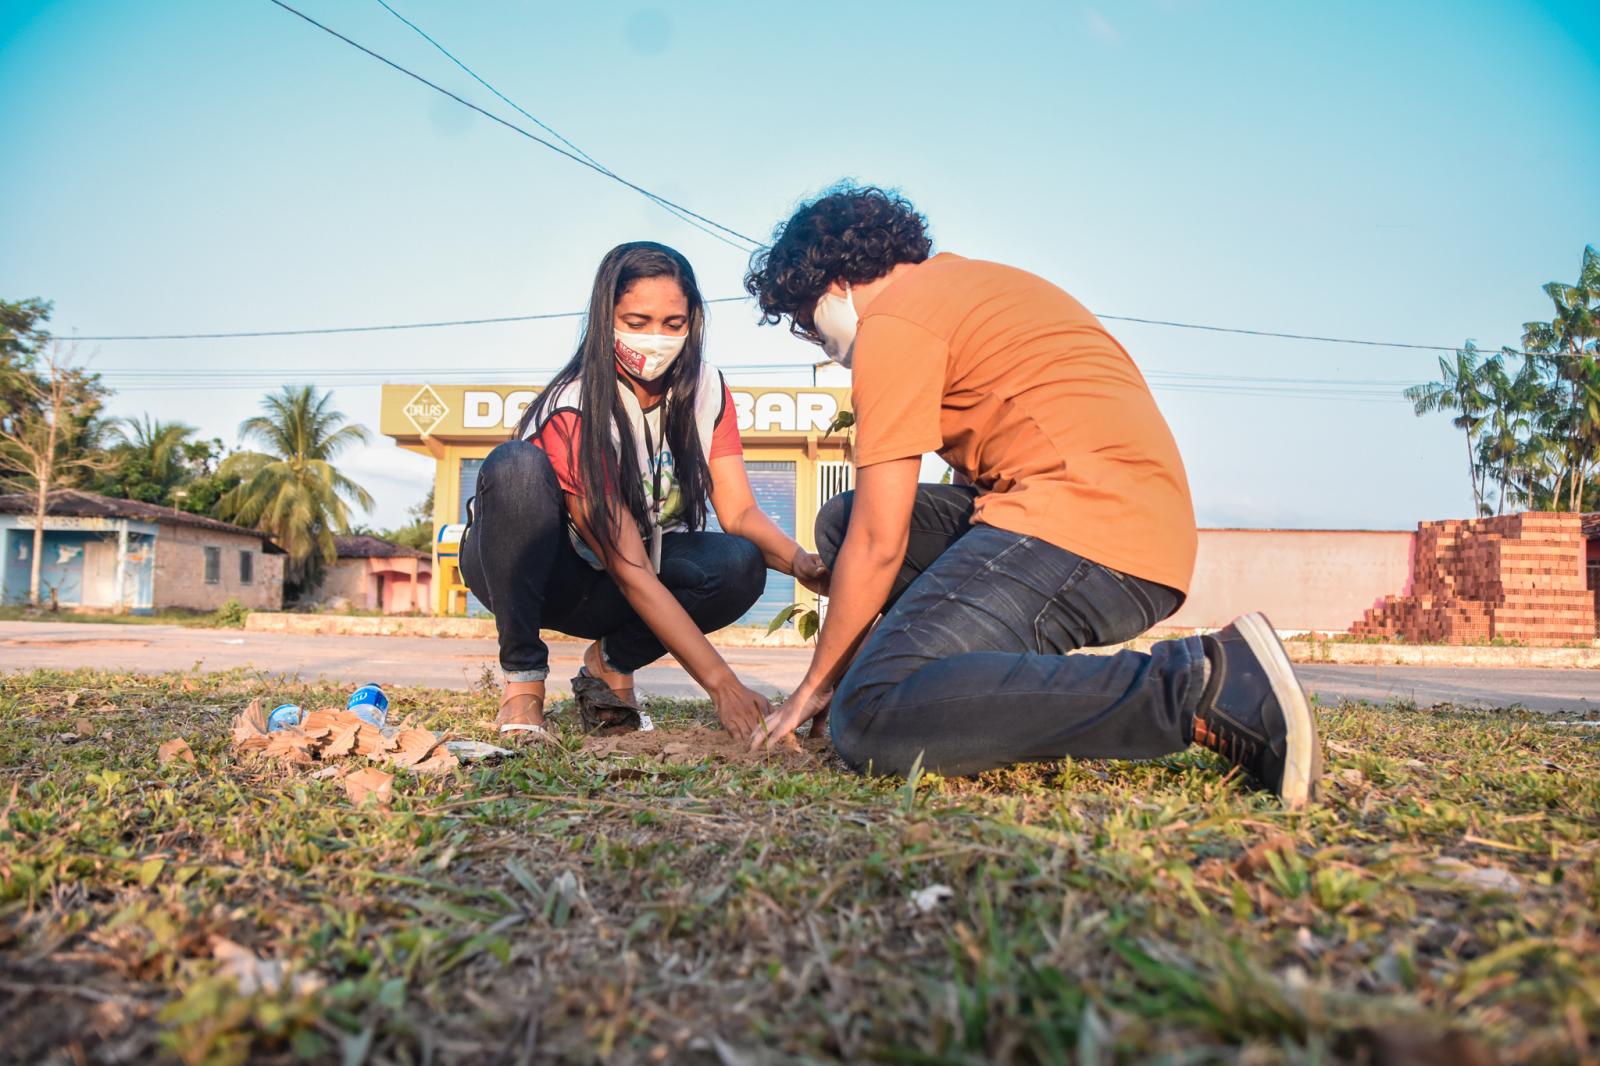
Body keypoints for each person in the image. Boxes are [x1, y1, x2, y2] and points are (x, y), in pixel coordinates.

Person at [742, 185, 1322, 807]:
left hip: (1084, 530)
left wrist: (819, 686)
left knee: (870, 716)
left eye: (808, 324)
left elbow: (880, 544)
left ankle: (1197, 688)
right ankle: (940, 689)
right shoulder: (965, 288)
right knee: (843, 515)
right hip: (1118, 523)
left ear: (831, 282)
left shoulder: (896, 320)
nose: (820, 346)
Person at [460, 241, 829, 743]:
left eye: (673, 324)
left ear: (693, 321)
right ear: (605, 316)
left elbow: (739, 510)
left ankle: (608, 663)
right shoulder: (575, 405)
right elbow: (629, 565)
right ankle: (523, 683)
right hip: (547, 577)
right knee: (516, 467)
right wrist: (723, 686)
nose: (656, 339)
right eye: (636, 322)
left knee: (740, 562)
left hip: (626, 577)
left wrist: (800, 561)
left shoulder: (707, 393)